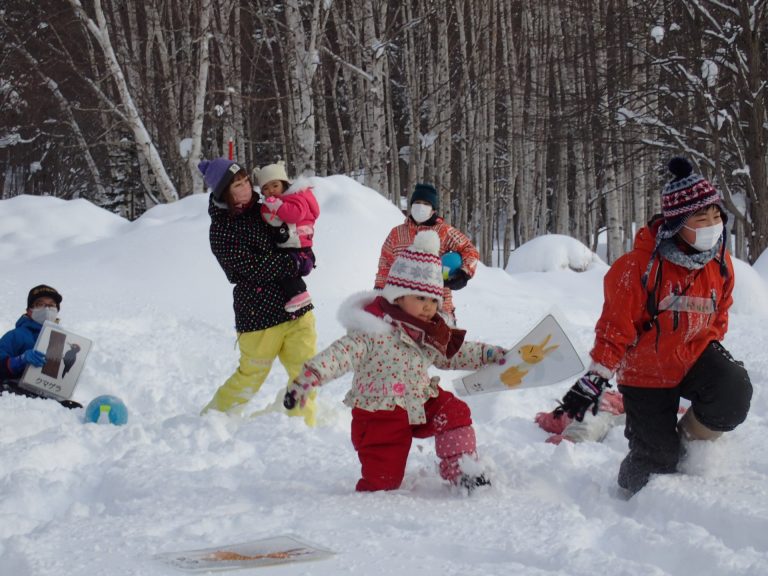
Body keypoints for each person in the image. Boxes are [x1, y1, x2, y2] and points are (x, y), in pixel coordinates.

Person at [556, 157, 752, 496]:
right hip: (646, 372)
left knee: (734, 391)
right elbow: (614, 330)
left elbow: (720, 313)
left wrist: (710, 349)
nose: (712, 224)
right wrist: (595, 378)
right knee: (656, 461)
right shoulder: (637, 268)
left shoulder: (720, 263)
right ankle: (630, 495)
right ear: (677, 223)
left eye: (716, 215)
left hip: (693, 356)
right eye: (701, 218)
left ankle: (689, 445)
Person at [283, 230, 508, 492]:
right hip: (380, 414)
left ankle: (461, 470)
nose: (427, 307)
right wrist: (311, 376)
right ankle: (373, 493)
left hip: (419, 402)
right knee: (383, 482)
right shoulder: (372, 331)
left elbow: (452, 354)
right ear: (398, 297)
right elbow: (340, 354)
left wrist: (485, 355)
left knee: (453, 411)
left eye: (433, 300)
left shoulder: (429, 331)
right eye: (420, 298)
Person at [198, 157, 318, 426]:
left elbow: (293, 232)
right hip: (258, 311)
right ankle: (211, 421)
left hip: (296, 301)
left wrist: (305, 251)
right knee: (251, 375)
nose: (245, 188)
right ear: (223, 194)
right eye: (236, 185)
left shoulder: (264, 207)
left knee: (307, 371)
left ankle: (302, 425)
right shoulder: (221, 230)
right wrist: (292, 262)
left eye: (245, 181)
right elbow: (250, 268)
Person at [375, 183, 480, 324]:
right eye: (417, 202)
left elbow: (470, 250)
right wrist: (379, 293)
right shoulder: (396, 233)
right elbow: (385, 264)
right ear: (411, 205)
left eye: (425, 203)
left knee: (441, 343)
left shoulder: (444, 232)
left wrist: (464, 273)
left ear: (433, 210)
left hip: (438, 307)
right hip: (402, 305)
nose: (420, 206)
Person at [0, 285, 81, 409]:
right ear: (29, 310)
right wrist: (19, 360)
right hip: (17, 392)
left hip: (50, 396)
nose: (47, 308)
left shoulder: (63, 340)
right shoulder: (15, 335)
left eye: (52, 305)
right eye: (40, 304)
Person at [254, 161, 320, 313]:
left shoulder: (295, 197)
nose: (271, 190)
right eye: (266, 188)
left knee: (283, 267)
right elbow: (271, 220)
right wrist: (270, 208)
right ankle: (294, 296)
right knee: (279, 267)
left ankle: (299, 294)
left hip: (299, 246)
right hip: (291, 244)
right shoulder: (280, 201)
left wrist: (277, 206)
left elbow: (294, 215)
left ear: (283, 183)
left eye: (275, 185)